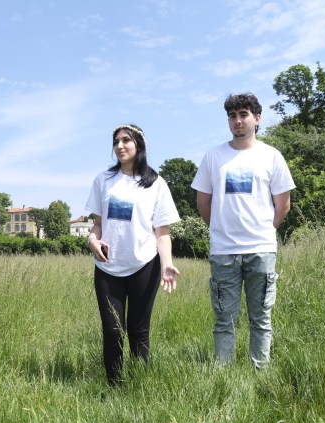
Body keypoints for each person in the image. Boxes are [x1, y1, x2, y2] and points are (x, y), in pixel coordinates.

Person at [191, 93, 295, 369]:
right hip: (224, 251)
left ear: (257, 118)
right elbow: (203, 203)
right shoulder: (213, 157)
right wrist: (220, 229)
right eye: (232, 116)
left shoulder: (271, 156)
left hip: (261, 250)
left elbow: (283, 205)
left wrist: (265, 231)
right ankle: (223, 375)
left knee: (261, 318)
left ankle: (260, 372)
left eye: (243, 115)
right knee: (223, 319)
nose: (237, 121)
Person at [85, 124, 181, 386]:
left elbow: (162, 232)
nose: (120, 146)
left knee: (139, 331)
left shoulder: (156, 183)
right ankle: (114, 388)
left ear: (139, 144)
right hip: (107, 267)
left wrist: (167, 263)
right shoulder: (103, 180)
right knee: (113, 331)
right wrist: (92, 241)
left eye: (126, 140)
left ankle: (139, 387)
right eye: (116, 141)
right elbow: (97, 224)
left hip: (144, 265)